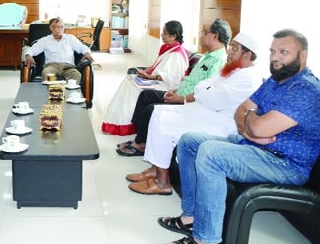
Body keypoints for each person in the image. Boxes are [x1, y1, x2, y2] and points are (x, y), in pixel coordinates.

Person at [159, 29, 320, 244]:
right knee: (189, 141)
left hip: (285, 164)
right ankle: (190, 217)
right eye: (273, 51)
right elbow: (241, 111)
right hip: (255, 147)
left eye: (284, 52)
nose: (276, 57)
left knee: (211, 153)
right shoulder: (275, 80)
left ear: (303, 56)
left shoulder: (305, 89)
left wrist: (253, 123)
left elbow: (260, 126)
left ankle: (205, 239)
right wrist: (251, 130)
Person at [126, 33, 263, 195]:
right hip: (206, 112)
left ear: (247, 55)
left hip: (222, 124)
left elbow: (214, 99)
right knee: (159, 112)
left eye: (234, 48)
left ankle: (162, 182)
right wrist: (206, 92)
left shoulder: (248, 78)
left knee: (166, 122)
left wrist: (206, 92)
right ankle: (156, 170)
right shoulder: (233, 70)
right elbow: (203, 85)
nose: (229, 52)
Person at [116, 18, 231, 156]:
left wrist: (180, 99)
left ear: (215, 36)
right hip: (179, 94)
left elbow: (206, 93)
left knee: (150, 109)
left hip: (188, 103)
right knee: (145, 95)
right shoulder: (207, 56)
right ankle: (140, 138)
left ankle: (140, 144)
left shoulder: (219, 61)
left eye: (205, 32)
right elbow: (191, 80)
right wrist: (175, 91)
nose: (202, 35)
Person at [102, 20, 190, 135]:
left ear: (174, 36)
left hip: (166, 86)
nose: (161, 35)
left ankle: (127, 125)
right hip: (156, 81)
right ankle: (116, 121)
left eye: (165, 33)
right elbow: (155, 65)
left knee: (132, 90)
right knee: (128, 81)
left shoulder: (177, 54)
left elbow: (170, 77)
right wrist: (145, 72)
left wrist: (150, 77)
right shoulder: (168, 47)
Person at [24, 17, 94, 83]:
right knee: (46, 73)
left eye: (61, 27)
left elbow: (82, 47)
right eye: (56, 26)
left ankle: (69, 94)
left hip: (68, 67)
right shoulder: (45, 40)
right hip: (51, 66)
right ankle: (50, 94)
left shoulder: (70, 38)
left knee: (76, 75)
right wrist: (28, 56)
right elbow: (31, 49)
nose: (59, 29)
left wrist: (87, 53)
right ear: (51, 28)